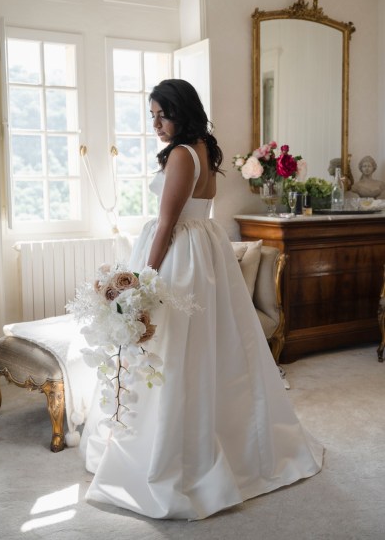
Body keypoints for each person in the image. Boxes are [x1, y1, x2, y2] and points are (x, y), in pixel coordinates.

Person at [80, 79, 323, 520]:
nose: (156, 123)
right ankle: (233, 444)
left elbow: (167, 222)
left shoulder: (179, 154)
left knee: (171, 349)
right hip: (205, 252)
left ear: (182, 110)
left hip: (179, 256)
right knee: (211, 348)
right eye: (151, 115)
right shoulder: (203, 149)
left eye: (162, 114)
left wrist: (142, 280)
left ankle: (174, 450)